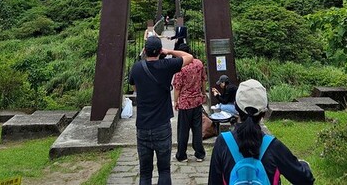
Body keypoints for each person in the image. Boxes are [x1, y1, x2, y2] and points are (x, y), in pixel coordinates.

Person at [207, 79, 314, 185]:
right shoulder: (273, 146)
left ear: (236, 107)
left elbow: (214, 181)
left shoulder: (223, 142)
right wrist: (304, 165)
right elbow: (306, 180)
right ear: (264, 112)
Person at [128, 35, 193, 185]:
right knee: (164, 170)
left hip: (142, 126)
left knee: (145, 172)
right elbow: (189, 57)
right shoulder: (167, 65)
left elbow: (134, 86)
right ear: (159, 51)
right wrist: (169, 51)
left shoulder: (137, 67)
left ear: (145, 50)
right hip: (162, 126)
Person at [172, 42, 207, 163]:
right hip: (197, 101)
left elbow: (177, 87)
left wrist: (175, 101)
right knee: (197, 129)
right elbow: (203, 80)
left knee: (183, 130)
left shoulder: (180, 68)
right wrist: (203, 93)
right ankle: (199, 154)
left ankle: (182, 155)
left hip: (185, 103)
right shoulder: (199, 64)